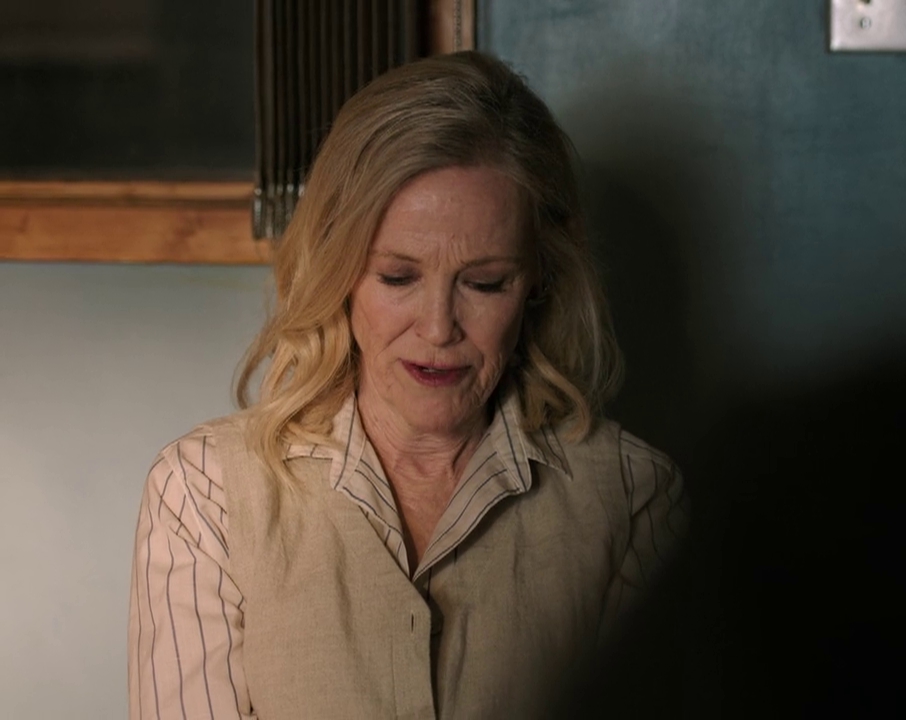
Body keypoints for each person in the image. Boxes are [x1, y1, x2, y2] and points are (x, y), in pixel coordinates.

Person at [127, 52, 687, 720]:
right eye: (398, 277)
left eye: (485, 283)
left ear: (539, 279)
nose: (438, 327)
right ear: (338, 270)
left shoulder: (631, 501)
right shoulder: (206, 494)